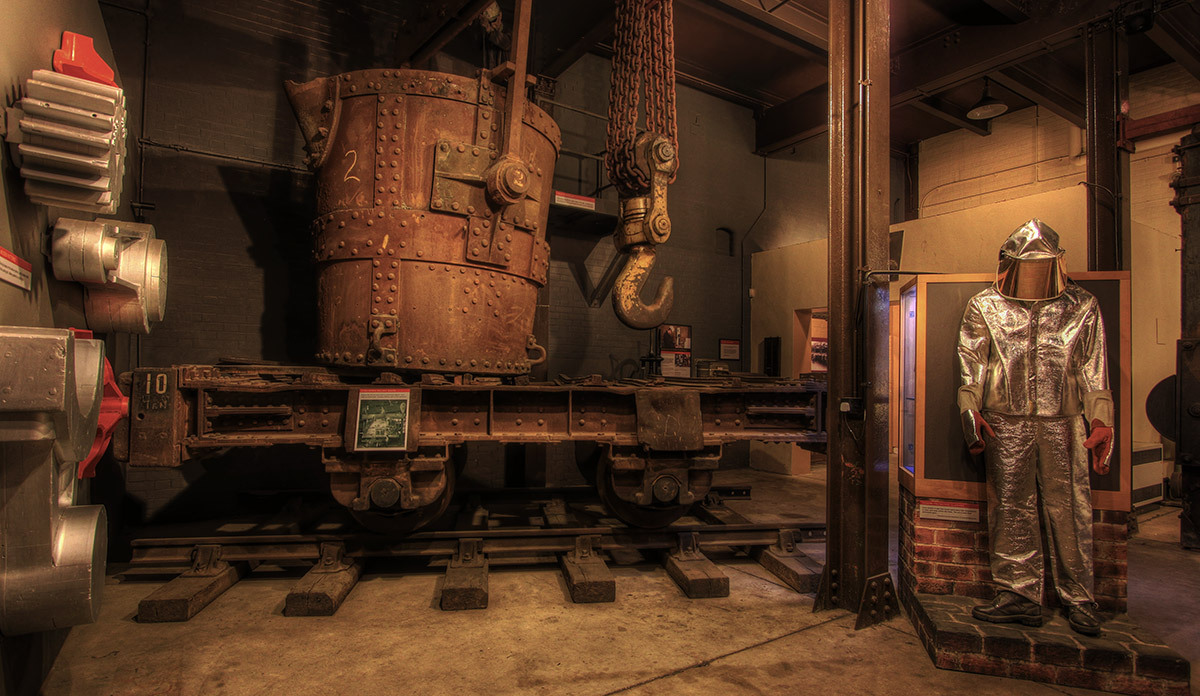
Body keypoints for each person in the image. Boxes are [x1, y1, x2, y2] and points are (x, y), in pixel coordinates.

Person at [956, 219, 1115, 636]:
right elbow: (971, 364)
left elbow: (1093, 368)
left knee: (1071, 507)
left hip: (1065, 420)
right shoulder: (985, 306)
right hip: (1004, 420)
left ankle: (1079, 596)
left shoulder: (1082, 306)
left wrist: (1101, 420)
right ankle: (1017, 593)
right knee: (1010, 506)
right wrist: (970, 411)